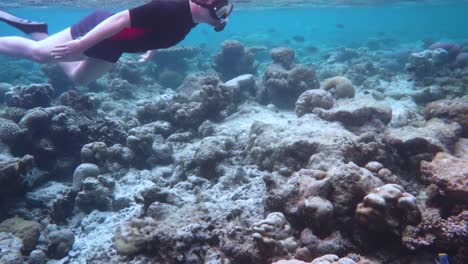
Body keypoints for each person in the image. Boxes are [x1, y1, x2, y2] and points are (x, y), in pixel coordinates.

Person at [0, 0, 233, 85]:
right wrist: (81, 45)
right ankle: (40, 38)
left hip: (117, 44)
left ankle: (38, 31)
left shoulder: (188, 19)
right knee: (40, 55)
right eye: (223, 8)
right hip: (102, 30)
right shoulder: (171, 8)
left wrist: (151, 49)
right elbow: (121, 19)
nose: (225, 16)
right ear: (206, 2)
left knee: (80, 79)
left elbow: (155, 29)